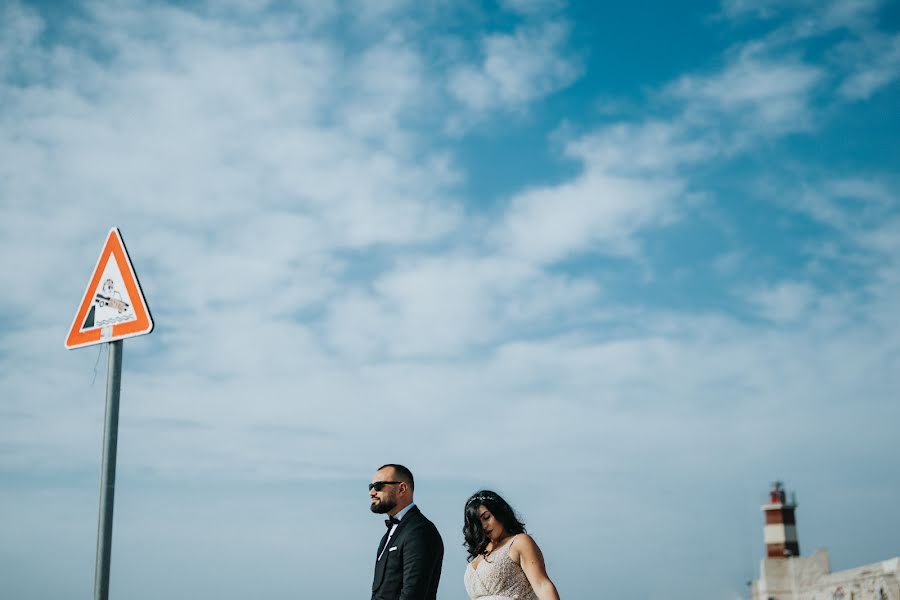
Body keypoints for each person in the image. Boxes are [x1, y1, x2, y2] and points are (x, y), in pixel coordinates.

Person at [462, 490, 560, 600]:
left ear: (499, 512)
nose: (484, 526)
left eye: (487, 517)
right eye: (478, 523)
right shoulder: (478, 557)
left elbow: (542, 585)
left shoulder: (519, 542)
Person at [369, 464, 444, 600]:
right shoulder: (390, 533)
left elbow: (413, 593)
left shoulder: (421, 531)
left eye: (378, 486)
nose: (372, 492)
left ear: (402, 489)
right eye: (371, 487)